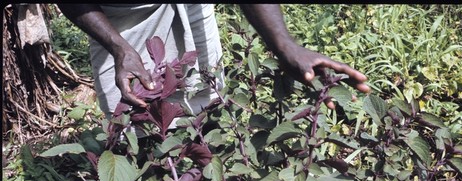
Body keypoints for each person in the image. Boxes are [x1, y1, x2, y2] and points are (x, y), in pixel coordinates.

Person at [57, 4, 370, 118]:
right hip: (117, 15)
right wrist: (119, 47)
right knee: (131, 120)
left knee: (206, 97)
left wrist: (284, 45)